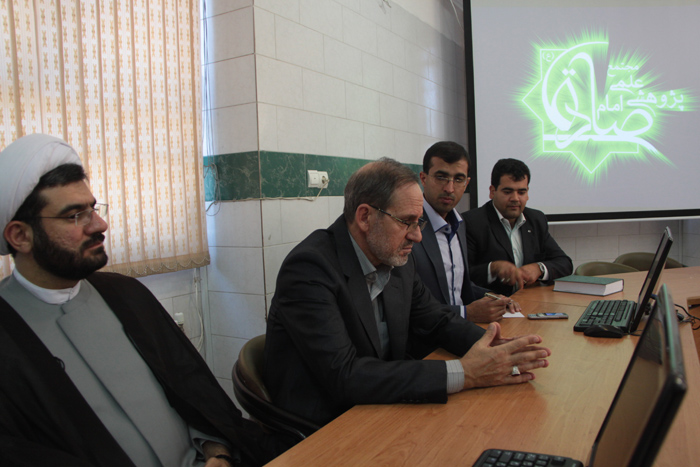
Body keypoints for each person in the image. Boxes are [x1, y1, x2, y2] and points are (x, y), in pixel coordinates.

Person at [0, 134, 289, 467]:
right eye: (74, 216)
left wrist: (216, 450)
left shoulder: (126, 295)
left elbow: (194, 392)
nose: (99, 224)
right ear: (20, 236)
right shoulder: (8, 335)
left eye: (93, 209)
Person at [264, 157, 551, 427]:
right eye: (407, 222)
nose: (417, 235)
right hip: (326, 426)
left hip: (383, 405)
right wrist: (465, 373)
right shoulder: (310, 269)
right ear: (365, 217)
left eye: (419, 221)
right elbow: (344, 375)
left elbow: (436, 319)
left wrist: (496, 349)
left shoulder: (395, 257)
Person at [413, 141, 519, 325]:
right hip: (426, 337)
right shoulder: (409, 227)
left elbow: (459, 287)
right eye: (441, 177)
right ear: (423, 178)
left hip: (459, 330)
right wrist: (465, 313)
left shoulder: (460, 224)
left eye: (458, 179)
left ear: (466, 183)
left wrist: (494, 297)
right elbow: (408, 304)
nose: (449, 188)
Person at [463, 158, 573, 296]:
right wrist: (493, 268)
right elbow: (462, 276)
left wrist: (539, 268)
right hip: (493, 303)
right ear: (492, 191)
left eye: (521, 192)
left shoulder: (536, 219)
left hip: (532, 301)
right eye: (507, 192)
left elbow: (565, 263)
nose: (515, 198)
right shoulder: (472, 222)